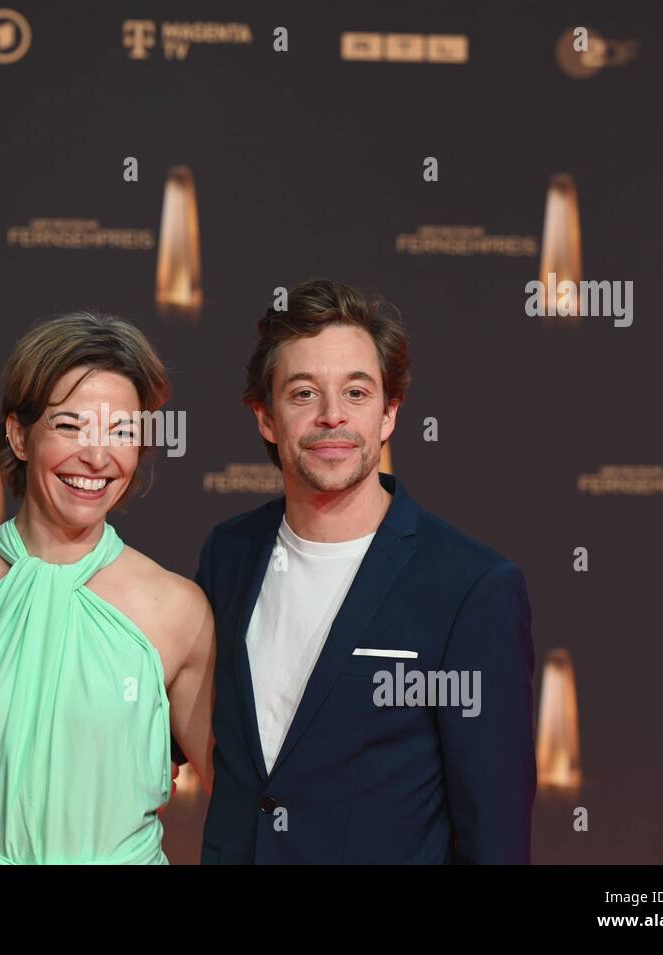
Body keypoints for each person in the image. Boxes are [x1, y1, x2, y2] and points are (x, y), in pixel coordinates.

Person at [196, 279, 536, 864]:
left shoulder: (470, 587)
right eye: (303, 394)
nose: (333, 417)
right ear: (265, 417)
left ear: (389, 415)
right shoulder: (228, 554)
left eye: (356, 393)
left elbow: (494, 831)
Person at [0, 312, 215, 864]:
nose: (97, 458)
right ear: (20, 435)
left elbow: (248, 793)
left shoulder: (174, 609)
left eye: (121, 432)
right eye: (70, 426)